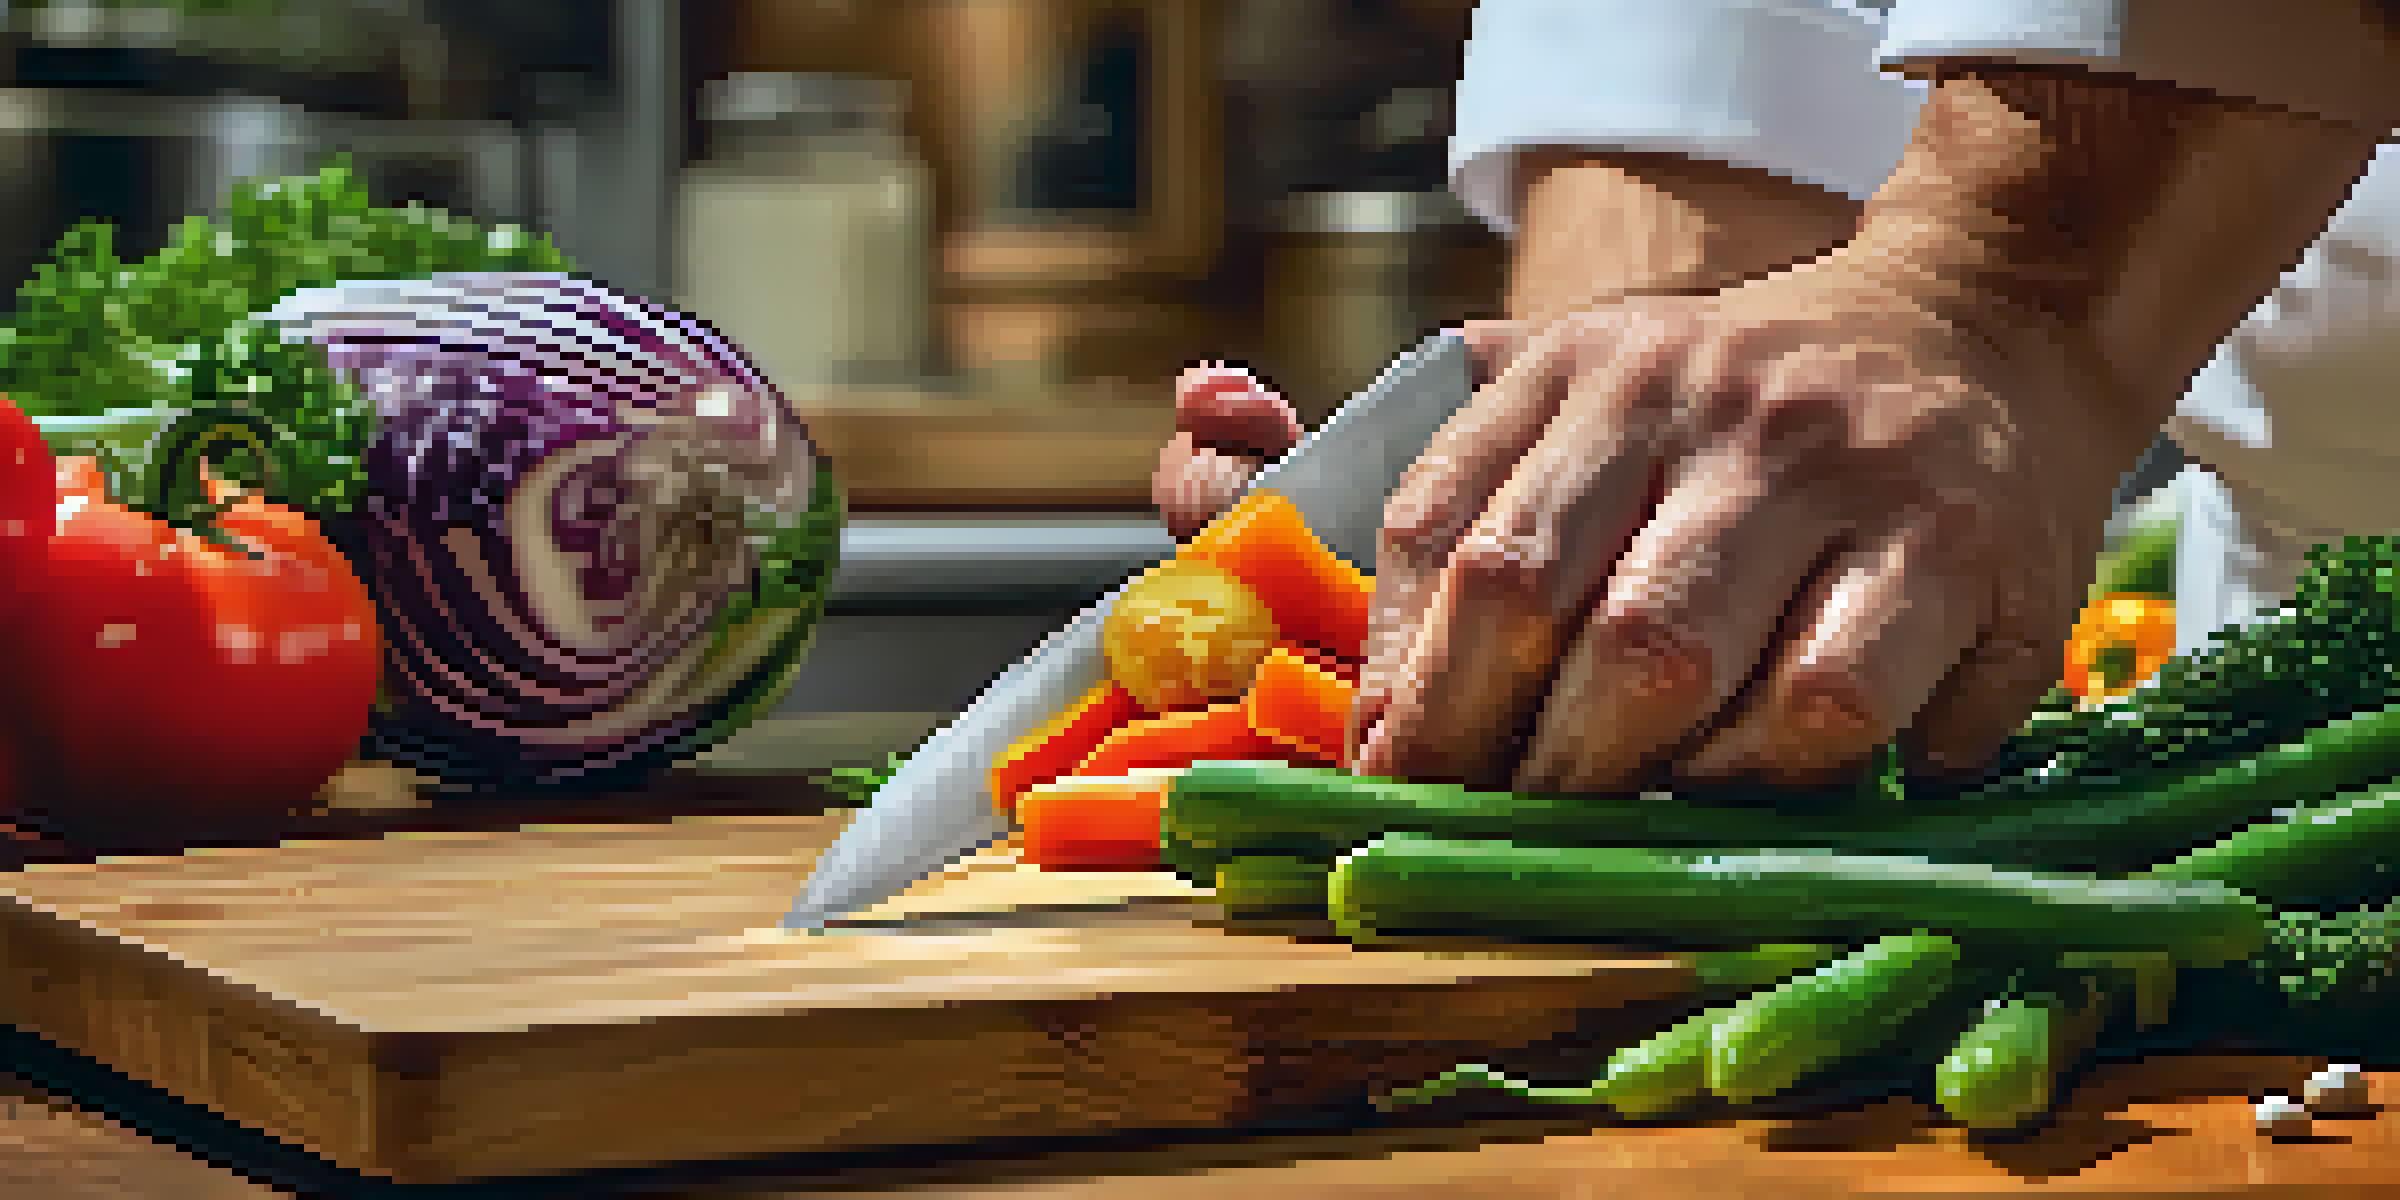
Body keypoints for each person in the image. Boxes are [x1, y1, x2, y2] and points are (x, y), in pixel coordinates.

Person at [1152, 0, 2400, 795]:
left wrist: (1987, 279)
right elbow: (1703, 119)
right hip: (2281, 779)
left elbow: (2005, 271)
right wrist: (1550, 553)